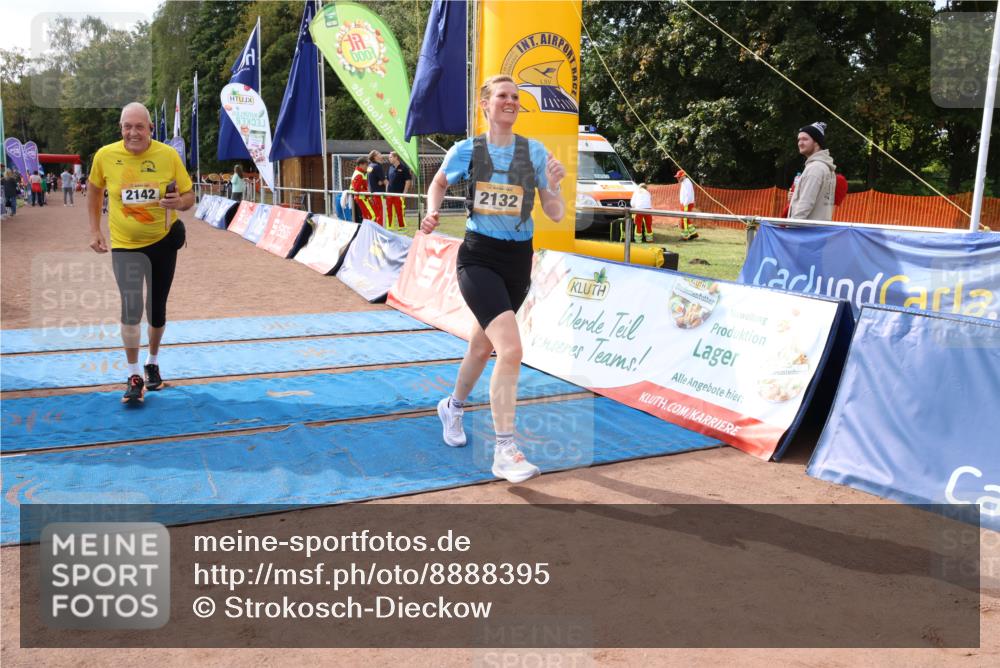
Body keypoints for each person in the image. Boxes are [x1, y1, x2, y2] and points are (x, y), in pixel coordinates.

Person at [421, 74, 566, 484]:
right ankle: (505, 449)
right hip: (478, 257)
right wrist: (432, 210)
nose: (510, 101)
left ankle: (452, 406)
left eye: (515, 97)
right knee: (511, 348)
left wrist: (554, 187)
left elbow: (554, 213)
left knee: (482, 345)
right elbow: (439, 181)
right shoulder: (468, 149)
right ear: (485, 105)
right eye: (502, 96)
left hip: (518, 260)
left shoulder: (534, 152)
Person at [87, 102, 195, 405]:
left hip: (162, 242)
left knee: (156, 309)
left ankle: (152, 362)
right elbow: (95, 191)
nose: (133, 132)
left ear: (150, 128)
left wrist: (179, 204)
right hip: (125, 245)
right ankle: (134, 374)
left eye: (139, 126)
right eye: (127, 126)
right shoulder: (105, 156)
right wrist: (95, 230)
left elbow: (189, 196)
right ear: (121, 128)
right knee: (131, 309)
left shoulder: (168, 155)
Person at [788, 121, 836, 221]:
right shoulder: (826, 167)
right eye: (799, 140)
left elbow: (805, 205)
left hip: (805, 233)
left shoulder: (815, 168)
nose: (800, 143)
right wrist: (795, 198)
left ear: (817, 142)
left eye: (805, 139)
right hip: (817, 232)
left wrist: (791, 228)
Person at [385, 151, 412, 229]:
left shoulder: (404, 168)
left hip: (399, 194)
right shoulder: (390, 168)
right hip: (389, 195)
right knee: (389, 212)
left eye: (390, 157)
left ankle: (402, 227)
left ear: (396, 157)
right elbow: (387, 181)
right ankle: (390, 227)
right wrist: (386, 193)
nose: (389, 158)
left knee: (400, 212)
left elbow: (408, 181)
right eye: (389, 157)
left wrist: (404, 193)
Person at [350, 156, 374, 224]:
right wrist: (368, 193)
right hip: (361, 198)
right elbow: (357, 189)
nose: (367, 166)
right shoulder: (359, 174)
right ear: (361, 165)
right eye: (366, 165)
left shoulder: (362, 173)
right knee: (371, 216)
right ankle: (368, 232)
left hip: (362, 198)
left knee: (366, 216)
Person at [676, 169, 698, 241]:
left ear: (683, 176)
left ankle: (685, 236)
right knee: (686, 219)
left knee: (684, 219)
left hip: (686, 203)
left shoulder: (687, 183)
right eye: (677, 177)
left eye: (679, 177)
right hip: (685, 203)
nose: (678, 178)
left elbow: (688, 195)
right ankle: (694, 233)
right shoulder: (684, 182)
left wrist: (685, 204)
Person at [367, 150, 387, 226]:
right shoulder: (377, 166)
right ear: (375, 157)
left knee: (377, 214)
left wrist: (381, 181)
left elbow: (372, 179)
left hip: (372, 193)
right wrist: (385, 181)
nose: (381, 154)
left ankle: (377, 230)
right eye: (379, 153)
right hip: (379, 194)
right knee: (381, 214)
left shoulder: (370, 166)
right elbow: (385, 181)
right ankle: (380, 230)